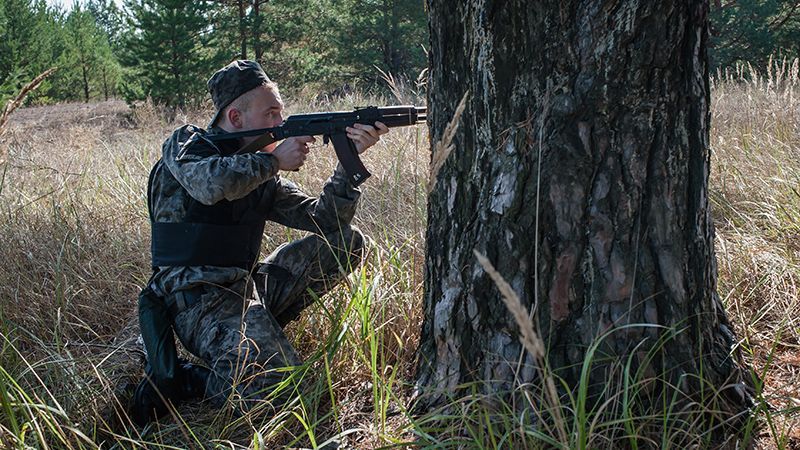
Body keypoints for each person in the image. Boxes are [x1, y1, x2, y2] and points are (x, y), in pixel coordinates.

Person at [131, 60, 388, 424]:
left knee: (346, 242)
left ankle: (255, 333)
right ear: (235, 118)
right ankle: (192, 380)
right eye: (271, 113)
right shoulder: (187, 146)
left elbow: (326, 220)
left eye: (281, 112)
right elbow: (210, 186)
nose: (280, 124)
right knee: (280, 393)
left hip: (246, 290)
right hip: (197, 301)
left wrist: (349, 163)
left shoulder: (261, 173)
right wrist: (272, 163)